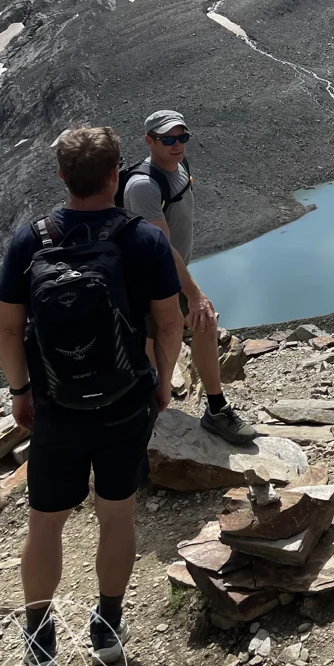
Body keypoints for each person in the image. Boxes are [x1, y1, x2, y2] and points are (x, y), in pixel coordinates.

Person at [0, 126, 184, 666]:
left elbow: (8, 331)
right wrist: (163, 380)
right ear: (113, 176)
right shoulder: (143, 239)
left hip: (57, 406)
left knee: (45, 523)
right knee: (117, 513)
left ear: (61, 176)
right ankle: (106, 626)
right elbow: (169, 322)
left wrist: (22, 392)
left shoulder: (30, 241)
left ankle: (38, 639)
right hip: (126, 402)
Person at [121, 109, 256, 445]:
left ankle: (213, 409)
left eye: (182, 137)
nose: (177, 144)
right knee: (155, 346)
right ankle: (152, 426)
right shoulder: (142, 186)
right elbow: (161, 247)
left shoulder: (179, 167)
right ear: (149, 141)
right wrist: (194, 294)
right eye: (168, 139)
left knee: (201, 324)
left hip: (170, 274)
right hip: (146, 281)